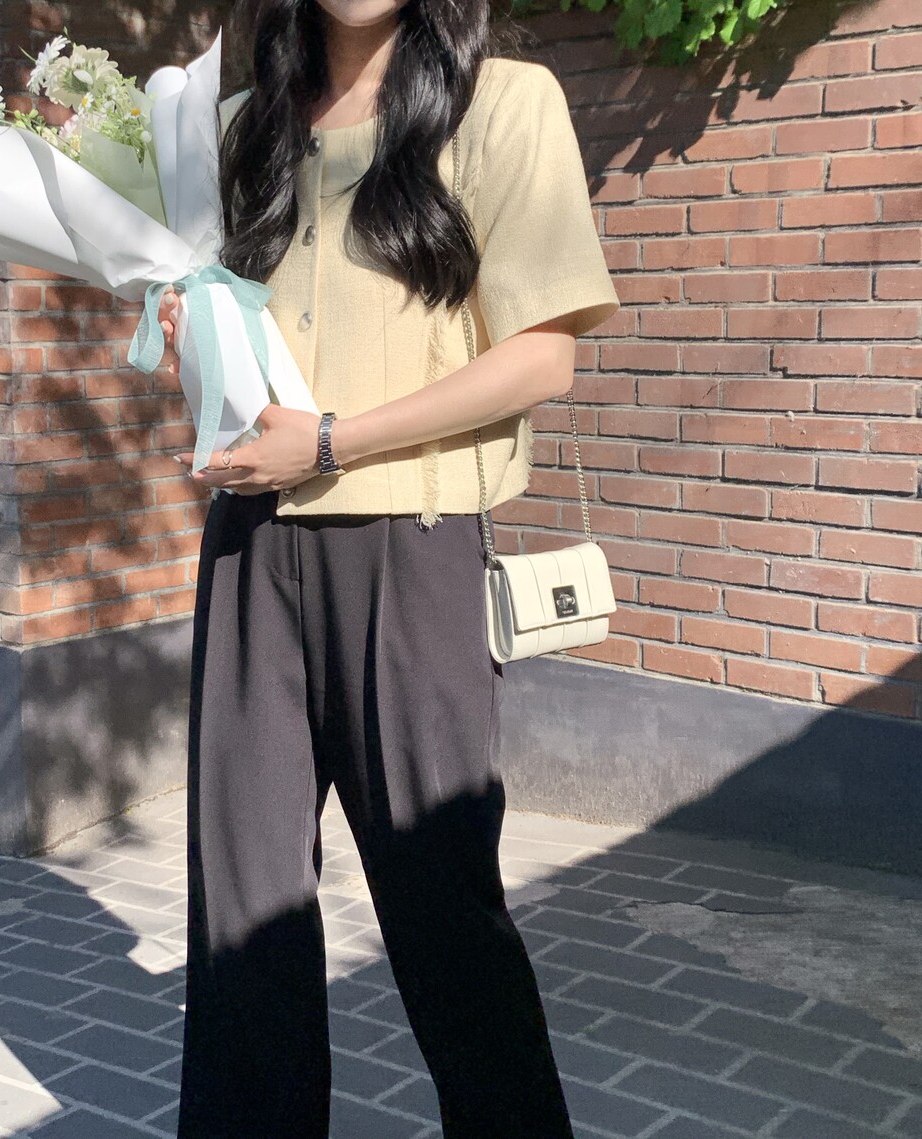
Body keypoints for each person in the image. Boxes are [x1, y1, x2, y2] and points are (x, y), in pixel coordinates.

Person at [160, 0, 619, 1134]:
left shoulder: (503, 104)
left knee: (441, 908)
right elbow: (239, 353)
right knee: (240, 911)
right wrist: (190, 343)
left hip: (412, 553)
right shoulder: (238, 126)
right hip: (250, 548)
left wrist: (331, 441)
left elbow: (542, 357)